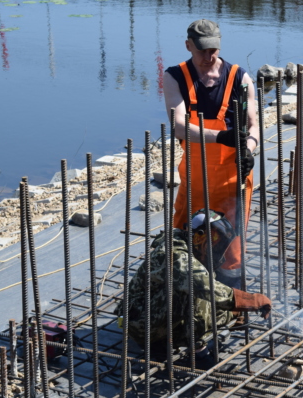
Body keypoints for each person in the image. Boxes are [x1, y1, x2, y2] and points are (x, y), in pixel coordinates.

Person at [163, 18, 259, 289]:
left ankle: (231, 297)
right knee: (187, 236)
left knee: (231, 243)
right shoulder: (175, 77)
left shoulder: (240, 78)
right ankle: (188, 293)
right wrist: (221, 137)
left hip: (233, 178)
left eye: (213, 49)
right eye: (202, 49)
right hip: (196, 178)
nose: (209, 55)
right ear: (188, 46)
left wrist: (249, 149)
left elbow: (254, 126)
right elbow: (179, 126)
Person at [115, 210, 271, 369]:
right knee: (194, 290)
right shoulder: (175, 254)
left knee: (215, 302)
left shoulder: (187, 246)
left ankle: (167, 340)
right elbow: (205, 287)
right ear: (199, 235)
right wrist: (250, 301)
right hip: (141, 323)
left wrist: (231, 311)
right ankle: (199, 355)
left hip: (156, 315)